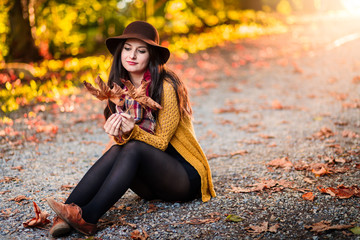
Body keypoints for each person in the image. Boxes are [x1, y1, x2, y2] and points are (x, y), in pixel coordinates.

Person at [46, 21, 216, 237]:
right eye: (127, 48)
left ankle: (87, 217)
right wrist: (117, 133)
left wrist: (132, 133)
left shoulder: (166, 86)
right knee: (119, 149)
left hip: (182, 177)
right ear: (120, 52)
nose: (132, 55)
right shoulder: (118, 90)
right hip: (151, 184)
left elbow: (162, 142)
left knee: (133, 147)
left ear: (151, 55)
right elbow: (122, 146)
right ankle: (67, 212)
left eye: (141, 50)